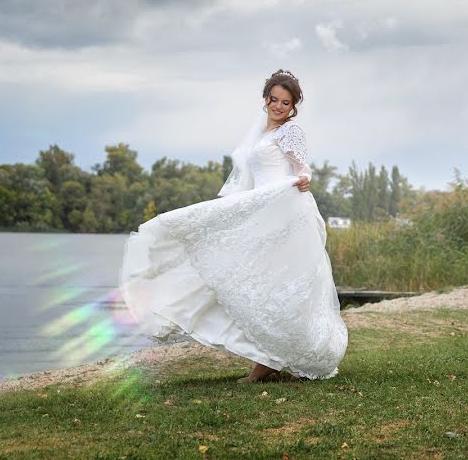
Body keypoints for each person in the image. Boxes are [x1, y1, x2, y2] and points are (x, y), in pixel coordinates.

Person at [120, 69, 348, 383]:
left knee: (279, 286)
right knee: (252, 282)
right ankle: (270, 359)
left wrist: (305, 179)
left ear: (293, 106)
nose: (279, 106)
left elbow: (302, 167)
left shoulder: (290, 132)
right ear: (266, 98)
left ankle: (272, 363)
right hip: (262, 212)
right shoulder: (262, 134)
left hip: (285, 213)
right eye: (274, 99)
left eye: (286, 102)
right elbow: (248, 179)